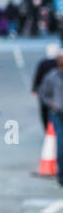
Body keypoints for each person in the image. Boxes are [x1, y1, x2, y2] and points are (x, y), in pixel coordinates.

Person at [40, 56, 63, 185]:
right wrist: (52, 104)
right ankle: (61, 176)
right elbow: (44, 94)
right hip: (58, 113)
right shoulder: (52, 76)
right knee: (61, 144)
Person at [31, 43, 61, 131]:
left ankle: (47, 129)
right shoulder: (57, 63)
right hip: (56, 91)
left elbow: (38, 76)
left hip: (45, 90)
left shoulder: (43, 63)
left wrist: (34, 88)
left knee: (44, 111)